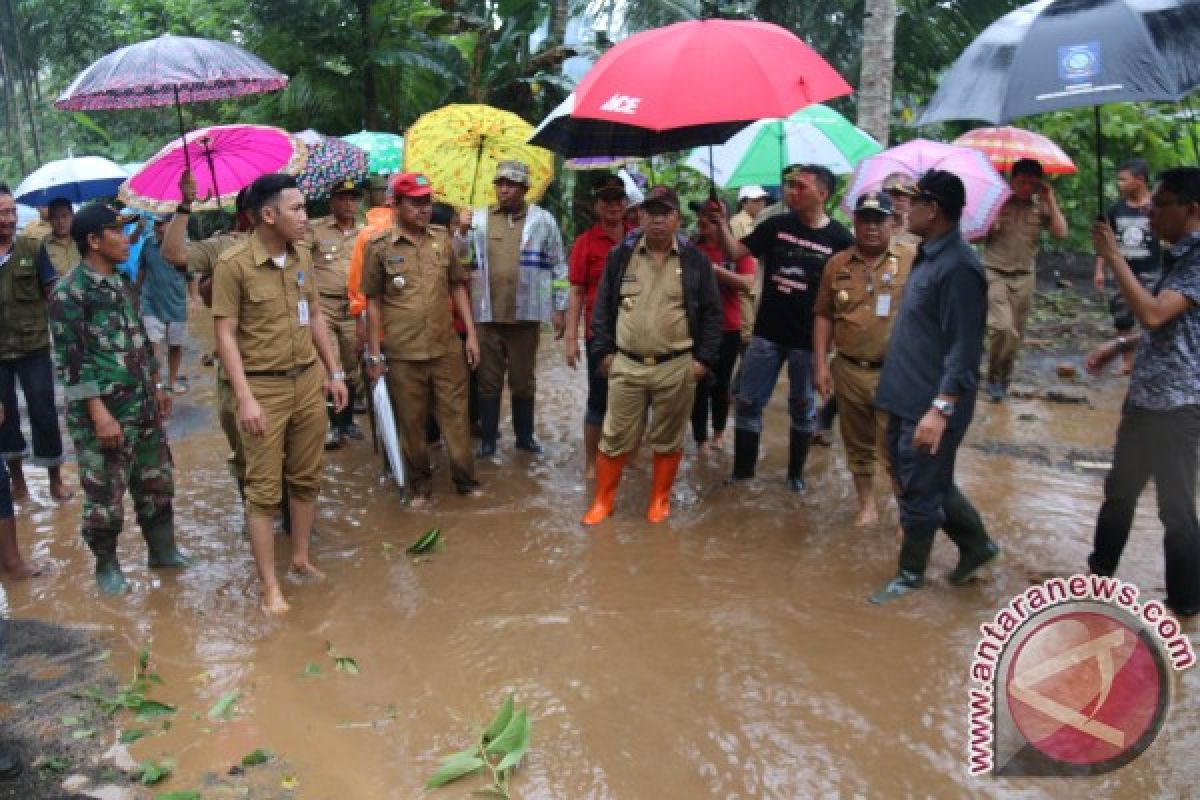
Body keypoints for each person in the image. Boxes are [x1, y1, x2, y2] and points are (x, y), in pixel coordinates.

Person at [211, 173, 348, 615]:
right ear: (268, 215)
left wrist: (335, 372)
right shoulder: (233, 265)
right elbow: (225, 335)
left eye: (305, 208)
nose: (306, 217)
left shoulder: (302, 255)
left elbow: (317, 319)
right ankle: (270, 586)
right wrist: (245, 397)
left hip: (307, 380)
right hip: (262, 386)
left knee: (307, 476)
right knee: (264, 491)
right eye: (297, 209)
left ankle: (302, 558)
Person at [870, 171, 999, 604]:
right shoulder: (926, 256)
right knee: (928, 481)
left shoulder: (961, 267)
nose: (904, 209)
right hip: (907, 394)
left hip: (931, 402)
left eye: (913, 201)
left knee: (921, 492)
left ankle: (910, 578)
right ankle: (977, 547)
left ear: (934, 209)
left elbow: (964, 351)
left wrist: (940, 410)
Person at [50, 203, 188, 595]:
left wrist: (159, 386)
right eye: (116, 230)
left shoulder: (122, 283)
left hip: (142, 404)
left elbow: (140, 341)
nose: (126, 238)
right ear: (93, 240)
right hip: (104, 414)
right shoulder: (69, 293)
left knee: (157, 481)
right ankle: (107, 567)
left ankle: (163, 553)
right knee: (105, 496)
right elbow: (71, 362)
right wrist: (98, 414)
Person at [1086, 167, 1200, 618]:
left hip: (1178, 406)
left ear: (1191, 209)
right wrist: (1120, 345)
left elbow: (1153, 315)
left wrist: (1113, 256)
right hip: (1147, 399)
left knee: (1176, 511)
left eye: (1162, 202)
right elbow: (1169, 326)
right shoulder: (1177, 255)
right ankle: (1096, 583)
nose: (1151, 211)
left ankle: (1185, 610)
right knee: (1119, 495)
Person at [583, 186, 722, 525]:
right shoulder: (622, 255)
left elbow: (712, 314)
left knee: (668, 437)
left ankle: (659, 501)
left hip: (676, 366)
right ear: (640, 217)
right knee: (614, 436)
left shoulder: (695, 260)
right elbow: (602, 307)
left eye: (666, 212)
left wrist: (702, 362)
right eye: (651, 212)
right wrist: (604, 354)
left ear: (677, 219)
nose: (658, 219)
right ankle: (603, 502)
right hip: (626, 364)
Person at [712, 163, 854, 491]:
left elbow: (844, 294)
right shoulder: (776, 225)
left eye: (800, 187)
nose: (792, 191)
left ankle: (795, 477)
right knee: (748, 402)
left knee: (803, 406)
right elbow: (735, 251)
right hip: (766, 333)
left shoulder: (840, 240)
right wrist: (721, 226)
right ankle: (743, 474)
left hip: (808, 340)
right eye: (790, 185)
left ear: (822, 194)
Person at [363, 173, 482, 505]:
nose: (424, 208)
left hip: (446, 348)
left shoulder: (442, 240)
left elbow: (457, 284)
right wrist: (374, 354)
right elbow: (372, 302)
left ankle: (466, 483)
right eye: (415, 202)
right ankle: (421, 488)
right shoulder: (379, 247)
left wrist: (470, 334)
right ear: (395, 205)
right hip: (402, 354)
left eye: (427, 201)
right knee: (412, 424)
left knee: (456, 418)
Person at [813, 192, 915, 527]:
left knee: (898, 449)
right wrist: (820, 364)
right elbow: (824, 316)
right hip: (849, 368)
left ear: (892, 222)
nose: (871, 227)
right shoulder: (837, 264)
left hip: (895, 373)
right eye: (865, 219)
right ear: (854, 222)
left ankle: (905, 515)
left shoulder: (911, 259)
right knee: (857, 443)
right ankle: (866, 504)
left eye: (879, 219)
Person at [467, 160, 568, 457]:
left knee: (523, 381)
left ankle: (525, 438)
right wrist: (461, 234)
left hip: (526, 316)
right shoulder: (479, 220)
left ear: (525, 188)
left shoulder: (543, 220)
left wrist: (559, 308)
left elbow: (558, 265)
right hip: (488, 315)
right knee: (488, 381)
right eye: (500, 183)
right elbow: (462, 262)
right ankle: (488, 441)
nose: (503, 189)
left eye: (510, 184)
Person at [0, 185, 71, 502]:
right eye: (3, 213)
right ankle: (18, 482)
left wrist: (69, 332)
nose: (10, 219)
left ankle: (55, 478)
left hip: (34, 346)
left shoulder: (31, 247)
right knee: (4, 417)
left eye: (12, 211)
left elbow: (52, 293)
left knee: (43, 411)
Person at [981, 158, 1068, 402]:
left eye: (1031, 182)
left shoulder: (1040, 206)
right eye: (1021, 181)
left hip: (1024, 275)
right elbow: (975, 235)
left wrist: (1050, 199)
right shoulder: (997, 201)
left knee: (1016, 334)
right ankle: (992, 376)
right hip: (995, 272)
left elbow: (1061, 233)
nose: (1025, 186)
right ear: (1012, 180)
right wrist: (991, 225)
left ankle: (1002, 380)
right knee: (1002, 327)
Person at [564, 173, 630, 479]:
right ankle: (592, 462)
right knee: (598, 401)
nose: (614, 206)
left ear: (627, 204)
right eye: (607, 200)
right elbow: (576, 291)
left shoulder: (638, 239)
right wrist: (570, 338)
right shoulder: (585, 243)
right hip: (599, 334)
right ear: (597, 206)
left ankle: (628, 458)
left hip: (636, 333)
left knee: (634, 399)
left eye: (618, 199)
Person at [688, 200, 755, 452]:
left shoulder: (737, 250)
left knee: (721, 384)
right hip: (696, 328)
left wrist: (715, 271)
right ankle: (700, 439)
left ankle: (718, 431)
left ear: (723, 220)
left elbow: (748, 283)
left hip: (728, 327)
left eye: (712, 216)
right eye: (702, 215)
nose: (704, 220)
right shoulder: (691, 248)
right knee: (698, 384)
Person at [309, 179, 366, 449]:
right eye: (342, 198)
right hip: (325, 308)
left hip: (353, 309)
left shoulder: (366, 233)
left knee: (352, 368)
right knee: (331, 366)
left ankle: (349, 421)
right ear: (331, 202)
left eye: (353, 198)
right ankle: (334, 425)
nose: (348, 203)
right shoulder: (316, 231)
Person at [1094, 158, 1161, 375]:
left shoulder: (1158, 208)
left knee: (1151, 317)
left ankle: (1150, 360)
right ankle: (1128, 362)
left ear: (1140, 180)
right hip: (1123, 271)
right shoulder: (1115, 210)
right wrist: (1100, 269)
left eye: (1123, 180)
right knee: (1122, 316)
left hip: (1152, 271)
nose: (1119, 184)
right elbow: (1105, 241)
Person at [135, 215, 190, 394]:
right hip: (151, 301)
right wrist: (135, 292)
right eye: (157, 224)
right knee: (154, 344)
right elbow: (142, 270)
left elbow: (192, 273)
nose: (159, 228)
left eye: (162, 224)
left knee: (175, 345)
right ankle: (156, 383)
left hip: (177, 303)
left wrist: (195, 298)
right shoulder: (148, 244)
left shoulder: (184, 245)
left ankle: (172, 381)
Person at [729, 185, 769, 349]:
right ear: (745, 203)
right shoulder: (738, 222)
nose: (761, 204)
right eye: (756, 201)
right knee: (747, 328)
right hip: (745, 276)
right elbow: (741, 251)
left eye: (762, 200)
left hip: (757, 277)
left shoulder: (761, 221)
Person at [36, 198, 80, 277]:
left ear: (72, 216)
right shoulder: (43, 246)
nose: (61, 221)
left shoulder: (82, 240)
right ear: (49, 219)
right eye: (55, 217)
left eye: (65, 216)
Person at [882, 172, 921, 247]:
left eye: (907, 195)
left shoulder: (917, 229)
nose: (901, 199)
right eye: (895, 193)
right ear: (884, 195)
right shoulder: (868, 227)